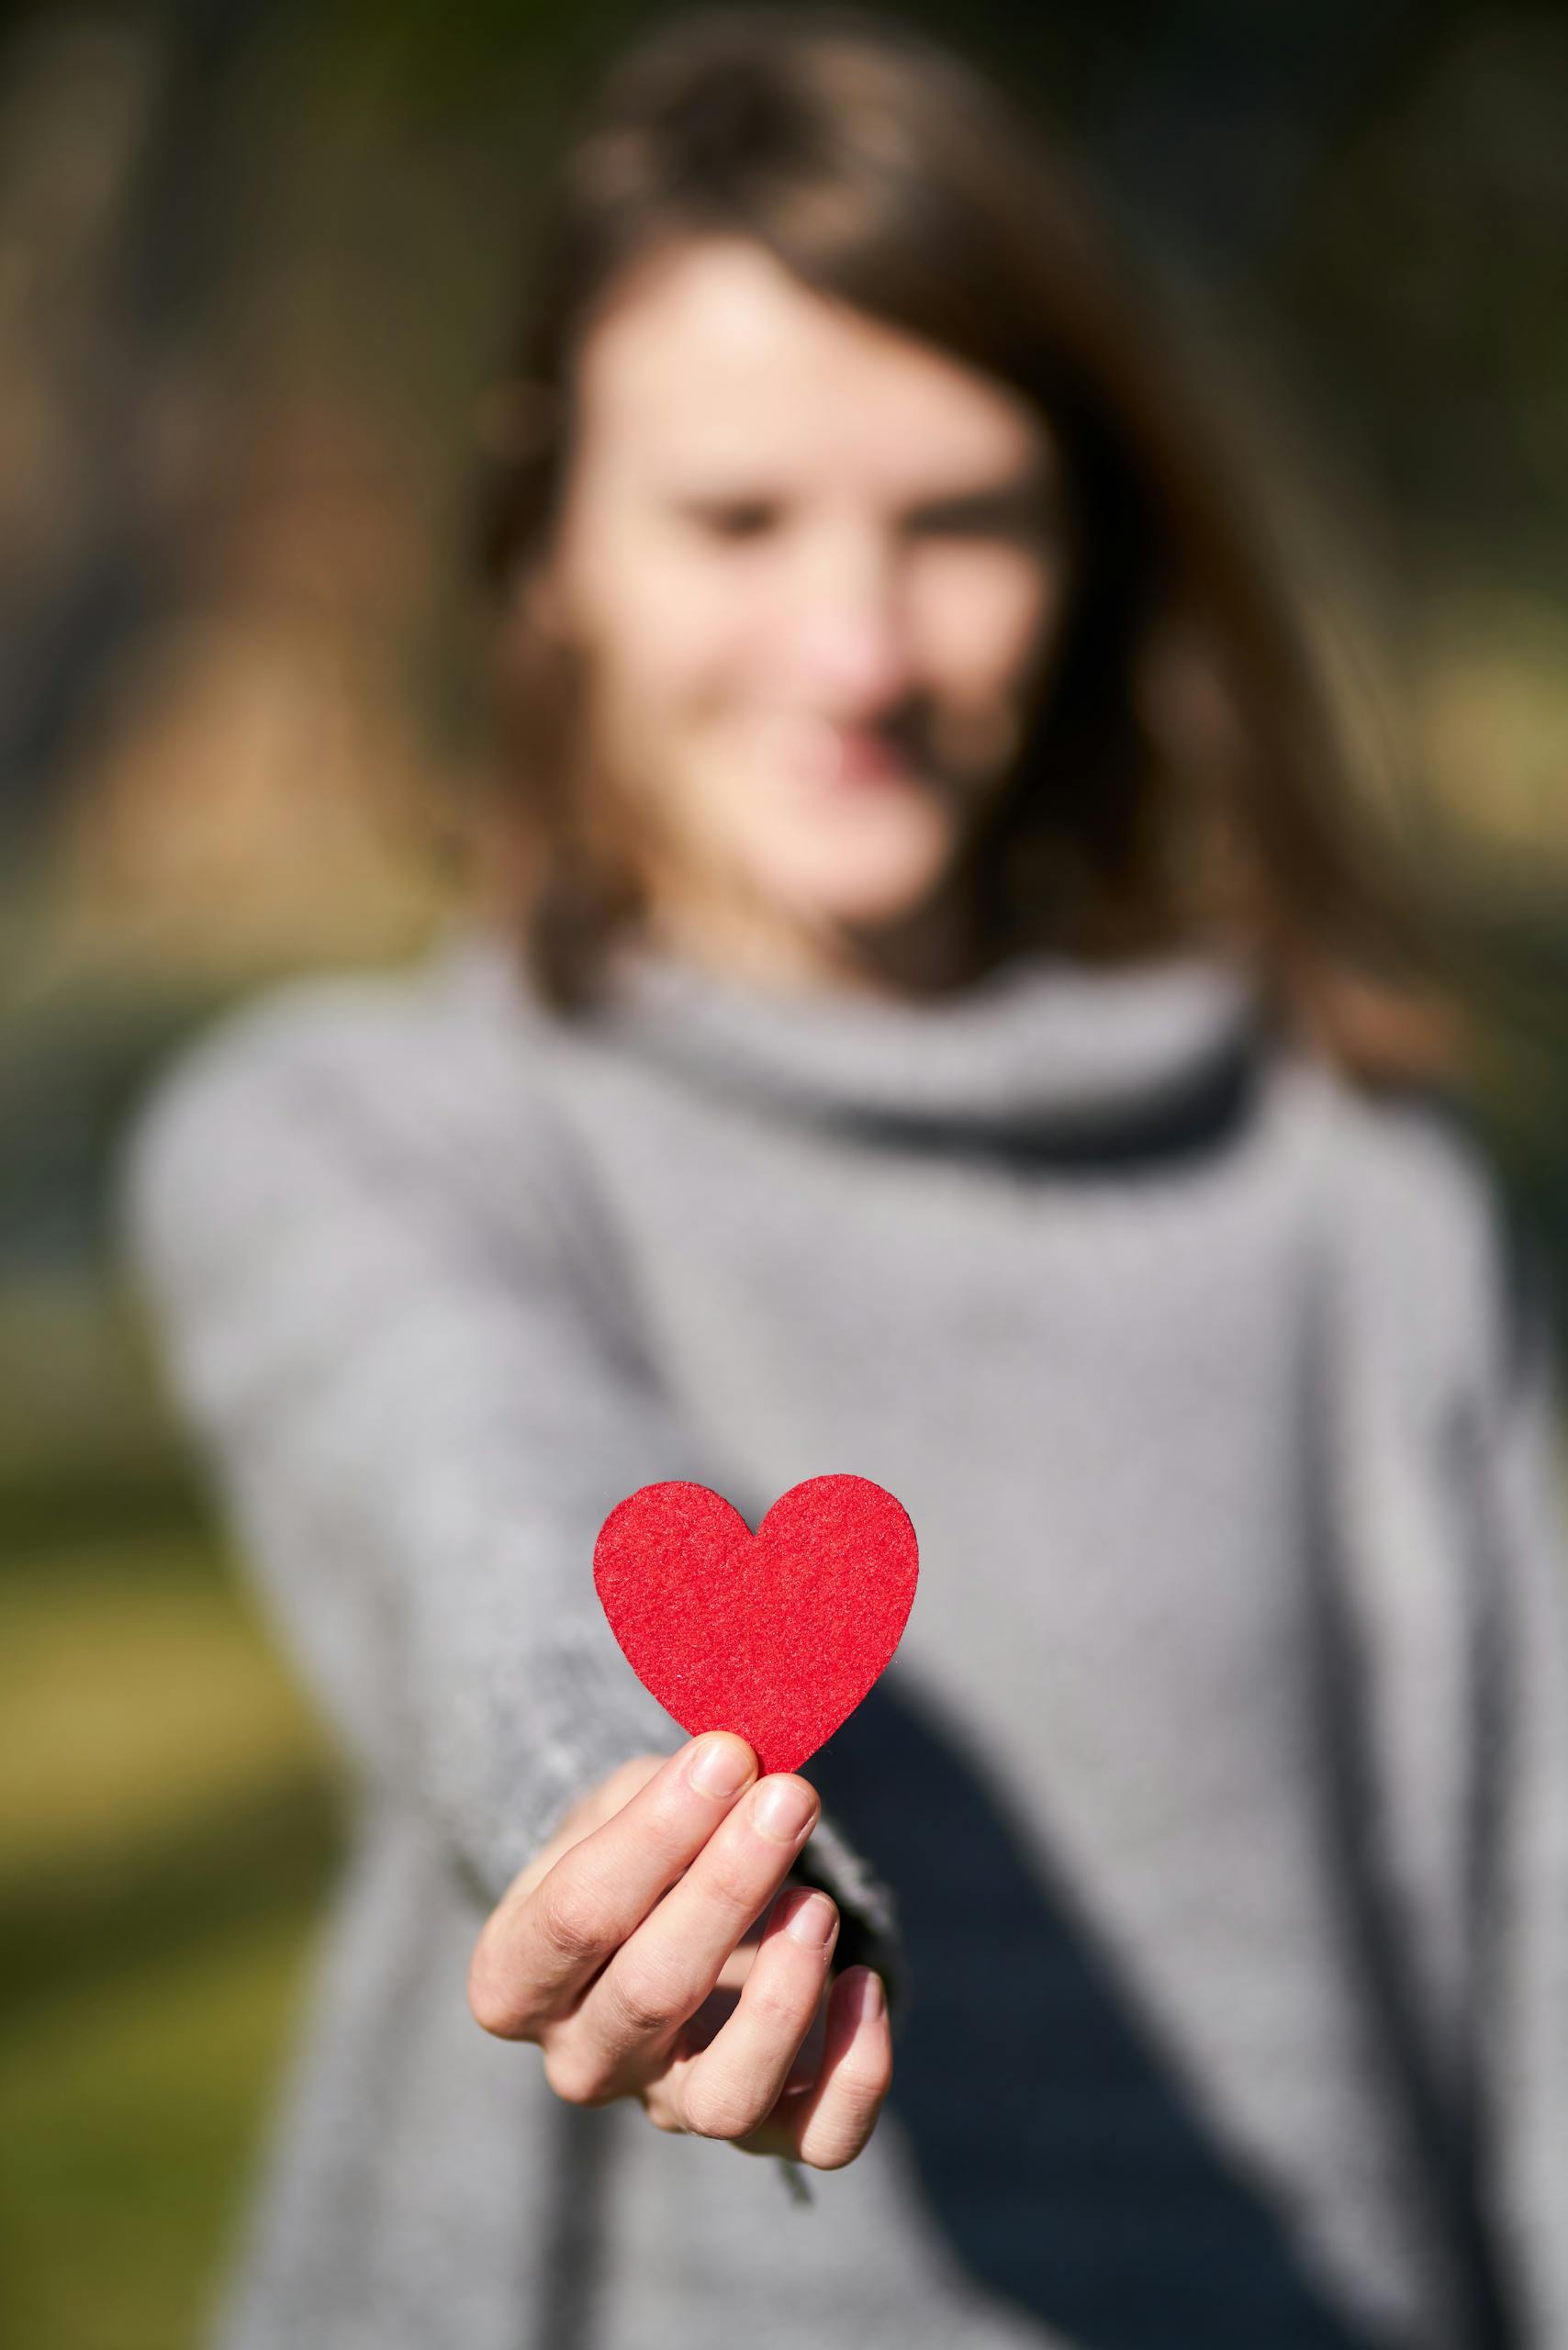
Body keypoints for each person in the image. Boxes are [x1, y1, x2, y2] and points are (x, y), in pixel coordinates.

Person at [117, 7, 1568, 2347]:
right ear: (552, 532)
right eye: (733, 517)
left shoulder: (1362, 1206)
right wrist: (632, 1829)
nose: (856, 644)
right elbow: (463, 1477)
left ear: (1086, 538)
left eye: (959, 516)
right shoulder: (353, 1130)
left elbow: (1533, 1935)